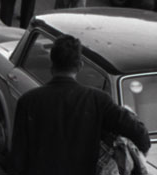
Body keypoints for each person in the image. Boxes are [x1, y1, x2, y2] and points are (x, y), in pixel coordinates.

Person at [11, 35, 150, 175]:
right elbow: (140, 134)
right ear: (80, 66)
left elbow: (18, 158)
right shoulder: (98, 100)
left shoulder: (28, 101)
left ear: (52, 64)